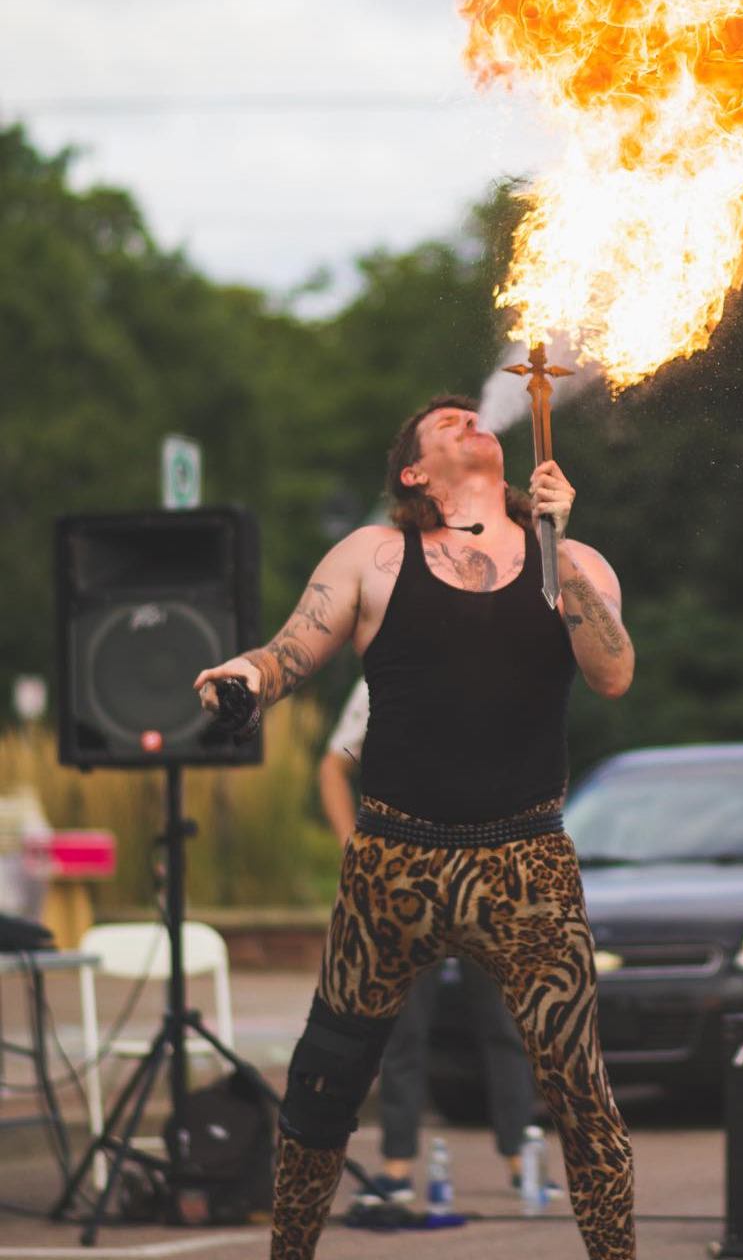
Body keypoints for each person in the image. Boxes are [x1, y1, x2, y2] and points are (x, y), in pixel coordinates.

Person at [194, 394, 636, 1260]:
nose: (473, 421)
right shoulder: (375, 556)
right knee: (324, 1084)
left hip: (526, 861)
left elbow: (614, 674)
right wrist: (241, 677)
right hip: (395, 862)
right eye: (447, 424)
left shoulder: (573, 558)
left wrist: (558, 546)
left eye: (478, 417)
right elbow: (289, 652)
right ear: (415, 472)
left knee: (581, 1092)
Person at [318, 676, 558, 1203]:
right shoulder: (383, 678)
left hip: (488, 875)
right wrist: (352, 847)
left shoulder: (503, 666)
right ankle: (398, 1164)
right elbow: (334, 765)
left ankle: (522, 1157)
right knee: (403, 1025)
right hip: (406, 877)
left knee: (504, 1020)